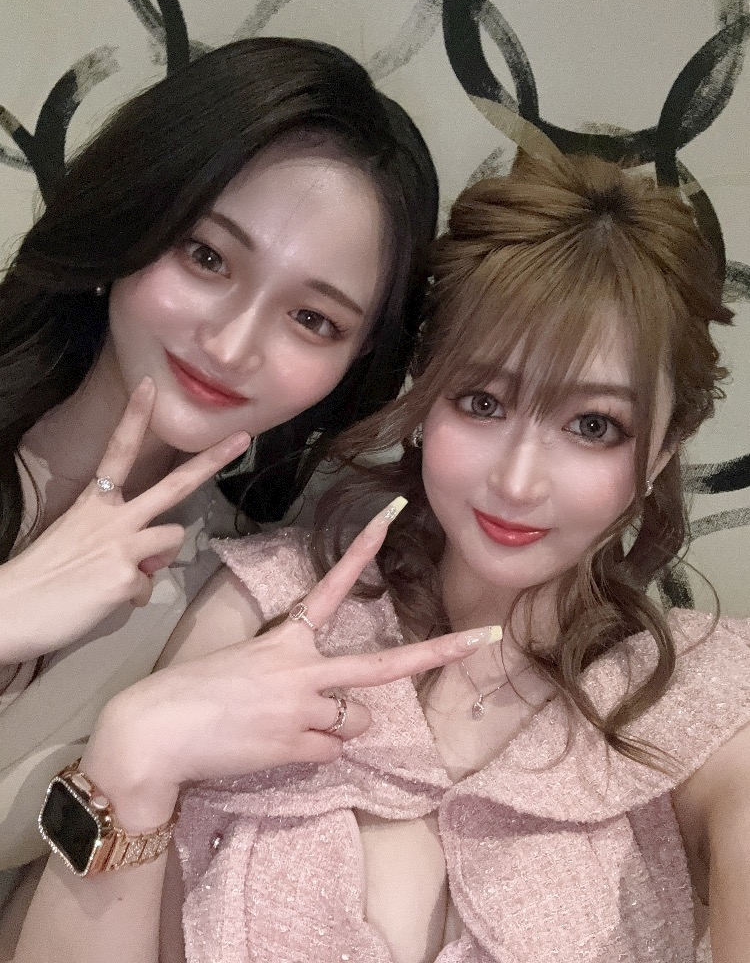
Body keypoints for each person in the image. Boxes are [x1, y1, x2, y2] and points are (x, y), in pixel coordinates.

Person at [14, 150, 750, 963]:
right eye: (483, 402)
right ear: (427, 403)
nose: (518, 481)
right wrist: (132, 749)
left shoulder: (711, 700)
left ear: (661, 450)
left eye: (593, 426)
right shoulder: (266, 603)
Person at [0, 34, 450, 904]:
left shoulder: (243, 596)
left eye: (313, 319)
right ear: (137, 217)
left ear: (355, 362)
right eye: (208, 257)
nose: (234, 344)